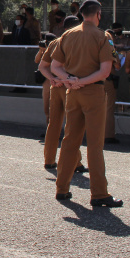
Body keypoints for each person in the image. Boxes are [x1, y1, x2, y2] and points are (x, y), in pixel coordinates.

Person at [50, 0, 122, 207]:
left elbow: (55, 66)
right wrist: (82, 81)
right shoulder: (102, 36)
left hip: (72, 92)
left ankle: (61, 188)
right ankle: (99, 193)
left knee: (70, 141)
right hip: (92, 91)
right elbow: (105, 71)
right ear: (98, 14)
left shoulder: (67, 35)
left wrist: (70, 79)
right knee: (95, 144)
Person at [37, 16, 86, 171]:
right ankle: (75, 161)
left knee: (54, 124)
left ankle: (49, 159)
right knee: (72, 126)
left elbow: (42, 66)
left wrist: (53, 79)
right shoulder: (76, 42)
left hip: (55, 86)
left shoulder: (54, 43)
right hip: (69, 86)